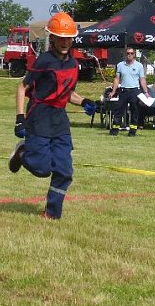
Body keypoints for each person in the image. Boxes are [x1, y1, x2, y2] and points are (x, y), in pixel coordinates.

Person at [8, 11, 96, 220]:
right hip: (39, 117)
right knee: (41, 169)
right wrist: (20, 118)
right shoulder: (44, 61)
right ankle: (22, 152)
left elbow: (67, 94)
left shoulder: (73, 64)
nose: (65, 42)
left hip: (59, 121)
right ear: (53, 38)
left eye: (69, 38)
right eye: (61, 38)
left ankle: (51, 213)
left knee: (65, 171)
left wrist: (85, 102)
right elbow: (22, 87)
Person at [107, 47, 148, 136]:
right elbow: (117, 79)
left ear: (134, 55)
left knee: (135, 111)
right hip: (123, 91)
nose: (129, 55)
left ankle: (132, 131)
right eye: (128, 53)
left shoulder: (139, 66)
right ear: (125, 54)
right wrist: (113, 91)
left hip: (134, 91)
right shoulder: (120, 65)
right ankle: (114, 130)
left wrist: (146, 92)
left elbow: (142, 79)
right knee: (118, 111)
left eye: (131, 53)